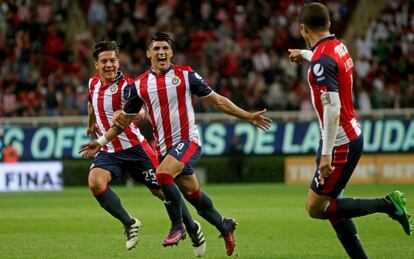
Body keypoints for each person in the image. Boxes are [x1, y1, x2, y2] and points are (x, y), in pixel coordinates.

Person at [80, 32, 272, 256]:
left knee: (163, 175)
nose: (161, 52)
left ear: (171, 53)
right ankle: (224, 225)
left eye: (165, 48)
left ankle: (178, 226)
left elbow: (217, 101)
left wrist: (248, 116)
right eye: (157, 49)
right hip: (164, 150)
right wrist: (101, 140)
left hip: (188, 141)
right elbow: (122, 121)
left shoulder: (186, 75)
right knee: (194, 196)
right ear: (148, 54)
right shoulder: (141, 84)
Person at [288, 3, 412, 258]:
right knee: (336, 211)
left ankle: (388, 204)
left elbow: (332, 108)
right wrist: (305, 54)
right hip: (348, 134)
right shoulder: (337, 47)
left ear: (303, 28)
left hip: (339, 142)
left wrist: (326, 154)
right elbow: (324, 61)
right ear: (328, 25)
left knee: (316, 208)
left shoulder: (322, 59)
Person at [86, 41, 206, 255]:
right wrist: (90, 122)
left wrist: (124, 114)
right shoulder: (92, 83)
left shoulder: (127, 86)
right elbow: (91, 103)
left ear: (118, 61)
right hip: (110, 151)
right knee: (95, 183)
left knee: (163, 192)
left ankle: (192, 226)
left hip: (135, 150)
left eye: (113, 60)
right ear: (96, 64)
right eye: (104, 61)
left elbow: (141, 112)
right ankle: (130, 222)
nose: (109, 65)